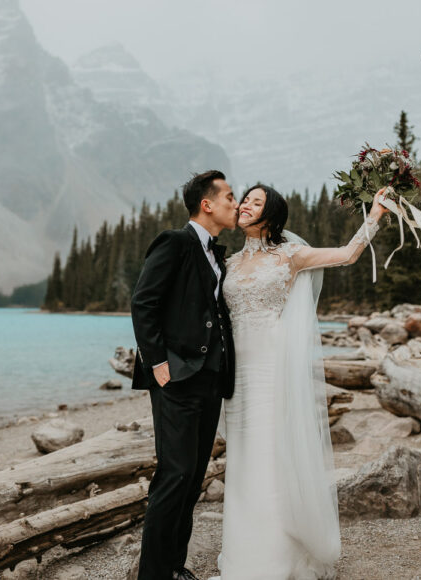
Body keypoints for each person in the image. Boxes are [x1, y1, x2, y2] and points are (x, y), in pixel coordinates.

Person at [210, 183, 388, 580]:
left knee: (270, 456)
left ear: (271, 215)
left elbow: (346, 255)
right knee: (242, 459)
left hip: (273, 369)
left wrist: (374, 215)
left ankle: (275, 561)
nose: (244, 206)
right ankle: (242, 555)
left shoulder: (290, 256)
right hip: (237, 375)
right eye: (245, 200)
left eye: (256, 202)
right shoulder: (231, 263)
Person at [131, 170, 239, 580]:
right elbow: (144, 302)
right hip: (176, 378)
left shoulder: (217, 253)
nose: (236, 202)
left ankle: (175, 567)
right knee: (173, 475)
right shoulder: (174, 242)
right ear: (207, 204)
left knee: (192, 478)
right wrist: (159, 365)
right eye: (229, 196)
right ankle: (153, 575)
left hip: (210, 380)